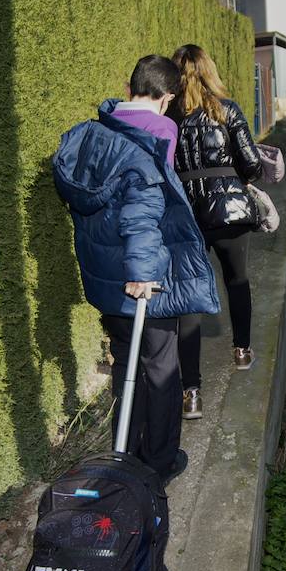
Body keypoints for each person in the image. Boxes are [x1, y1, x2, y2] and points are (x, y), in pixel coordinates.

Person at [51, 54, 220, 484]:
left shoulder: (91, 136)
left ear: (128, 91)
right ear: (165, 99)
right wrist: (145, 275)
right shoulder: (151, 142)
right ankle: (159, 461)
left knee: (128, 367)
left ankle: (124, 454)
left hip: (105, 279)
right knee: (162, 370)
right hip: (140, 282)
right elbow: (142, 217)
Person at [169, 43, 263, 420]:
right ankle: (242, 351)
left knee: (190, 296)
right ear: (210, 70)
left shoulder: (168, 117)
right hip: (230, 211)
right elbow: (252, 165)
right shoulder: (227, 110)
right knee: (237, 280)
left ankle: (191, 393)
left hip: (188, 214)